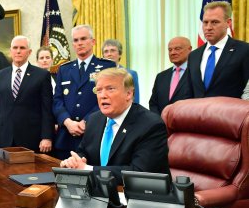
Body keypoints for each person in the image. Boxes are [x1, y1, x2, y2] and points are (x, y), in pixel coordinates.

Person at [60, 68, 170, 185]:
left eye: (110, 89)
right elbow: (84, 152)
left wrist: (88, 170)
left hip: (141, 196)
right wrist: (75, 161)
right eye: (99, 90)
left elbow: (139, 173)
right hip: (100, 193)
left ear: (129, 94)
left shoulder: (151, 125)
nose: (103, 96)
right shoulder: (94, 119)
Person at [53, 25, 116, 160]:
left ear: (93, 42)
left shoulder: (106, 67)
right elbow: (57, 101)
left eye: (83, 39)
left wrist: (86, 122)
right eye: (75, 40)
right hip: (66, 137)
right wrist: (68, 122)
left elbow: (109, 99)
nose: (79, 43)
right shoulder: (64, 69)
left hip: (94, 134)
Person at [0, 35, 54, 153]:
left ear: (29, 52)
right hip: (5, 137)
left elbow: (47, 109)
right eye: (15, 48)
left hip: (32, 139)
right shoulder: (0, 75)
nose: (18, 51)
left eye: (22, 48)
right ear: (10, 51)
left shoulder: (42, 75)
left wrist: (47, 137)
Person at [188, 1, 249, 98]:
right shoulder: (193, 56)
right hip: (197, 112)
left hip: (231, 112)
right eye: (205, 22)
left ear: (228, 23)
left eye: (214, 22)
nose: (208, 27)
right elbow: (190, 92)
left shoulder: (244, 50)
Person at [149, 37, 193, 115]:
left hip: (187, 123)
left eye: (177, 49)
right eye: (170, 50)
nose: (173, 52)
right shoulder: (161, 76)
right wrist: (159, 121)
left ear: (189, 49)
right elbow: (153, 103)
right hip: (161, 124)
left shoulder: (196, 73)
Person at [102, 38, 140, 103]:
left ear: (120, 54)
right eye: (106, 51)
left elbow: (134, 100)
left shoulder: (131, 74)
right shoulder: (98, 74)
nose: (109, 54)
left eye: (112, 50)